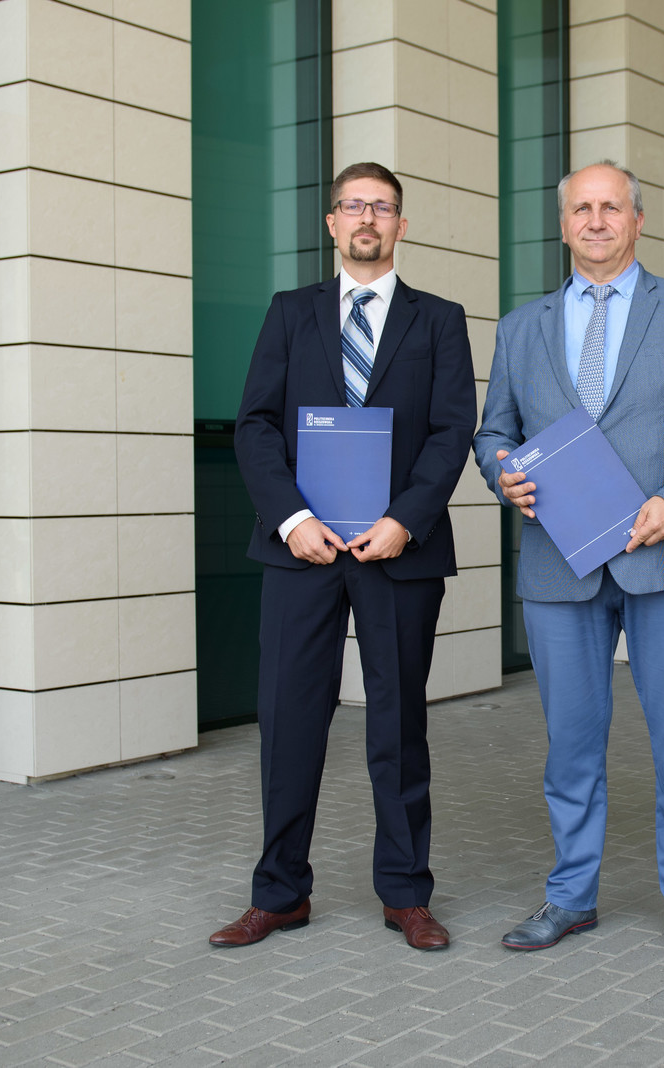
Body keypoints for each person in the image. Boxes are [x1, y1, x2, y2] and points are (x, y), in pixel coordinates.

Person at [474, 161, 664, 962]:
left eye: (611, 207)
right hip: (560, 562)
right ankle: (570, 896)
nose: (596, 221)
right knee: (571, 745)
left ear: (638, 220)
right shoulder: (521, 327)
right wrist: (501, 473)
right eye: (582, 209)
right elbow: (494, 431)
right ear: (563, 224)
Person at [212, 162, 476, 951]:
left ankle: (406, 894)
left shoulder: (439, 319)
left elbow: (451, 430)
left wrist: (405, 520)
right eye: (354, 206)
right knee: (289, 722)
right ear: (332, 222)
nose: (367, 218)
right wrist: (291, 518)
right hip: (304, 550)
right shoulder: (290, 313)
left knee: (398, 725)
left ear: (401, 225)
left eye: (382, 207)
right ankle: (279, 893)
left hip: (398, 551)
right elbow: (255, 424)